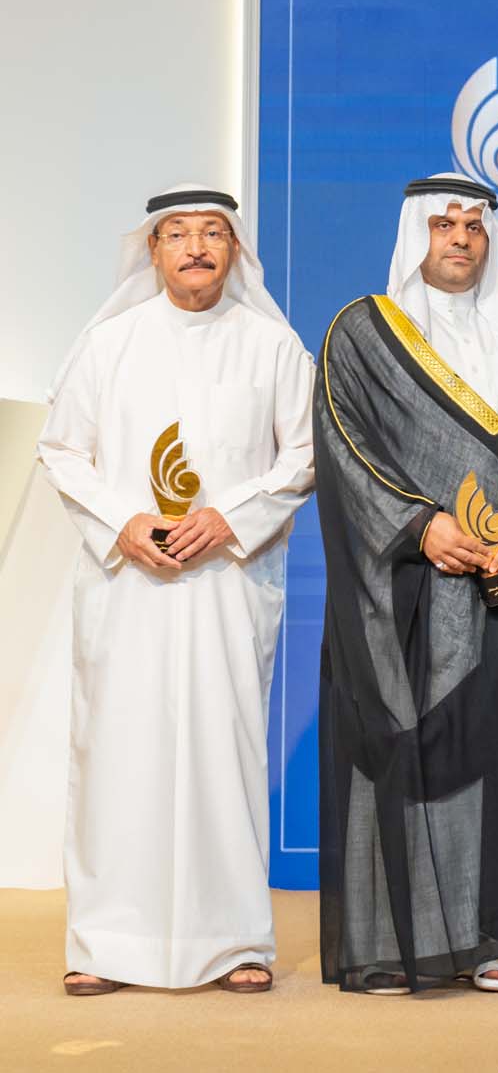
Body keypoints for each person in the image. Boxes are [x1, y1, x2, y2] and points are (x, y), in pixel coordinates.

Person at [313, 173, 498, 995]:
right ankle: (393, 944)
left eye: (473, 224)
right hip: (411, 587)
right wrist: (419, 525)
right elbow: (343, 445)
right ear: (415, 235)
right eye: (443, 224)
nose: (460, 237)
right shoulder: (362, 333)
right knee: (404, 747)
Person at [39, 185, 314, 995]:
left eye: (213, 233)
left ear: (235, 250)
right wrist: (124, 521)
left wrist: (229, 518)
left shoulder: (273, 347)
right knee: (117, 752)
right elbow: (61, 450)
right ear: (153, 250)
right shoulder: (108, 344)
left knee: (222, 753)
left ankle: (234, 942)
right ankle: (104, 943)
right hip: (128, 582)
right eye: (179, 235)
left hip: (227, 585)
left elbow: (303, 457)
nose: (196, 247)